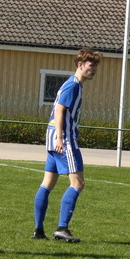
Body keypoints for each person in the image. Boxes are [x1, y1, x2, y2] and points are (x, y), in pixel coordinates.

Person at [32, 48, 102, 243]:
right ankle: (62, 228)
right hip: (64, 139)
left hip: (53, 137)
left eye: (96, 66)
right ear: (80, 65)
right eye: (91, 65)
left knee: (47, 183)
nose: (94, 69)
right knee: (78, 183)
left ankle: (38, 229)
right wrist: (60, 138)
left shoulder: (72, 84)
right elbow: (60, 110)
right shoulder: (73, 86)